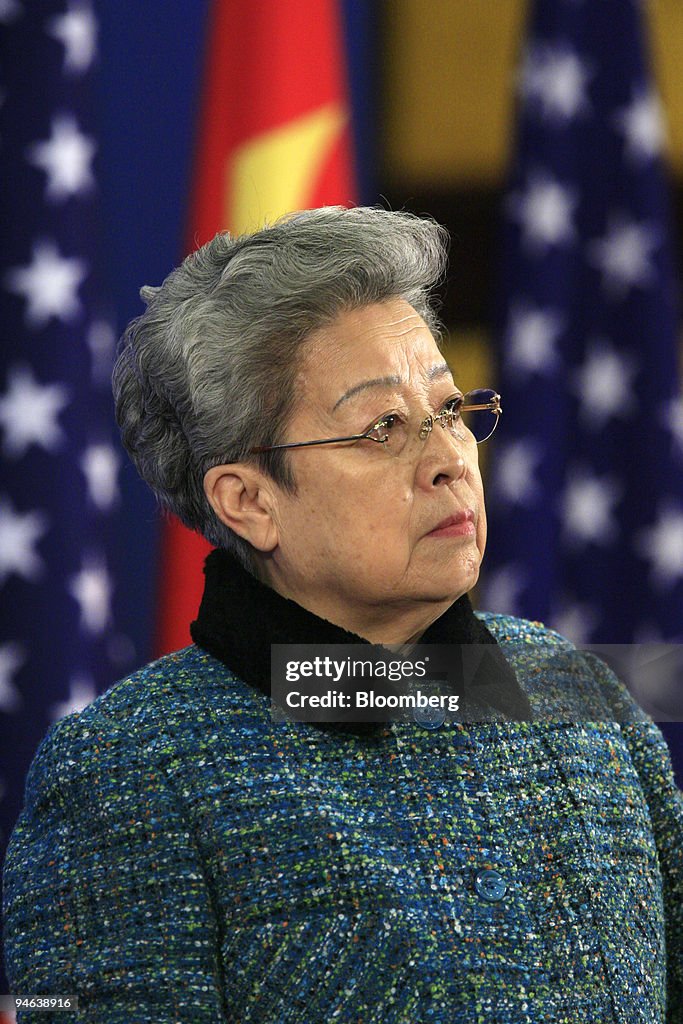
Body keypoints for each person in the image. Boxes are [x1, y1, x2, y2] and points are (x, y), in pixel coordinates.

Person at [3, 206, 682, 1023]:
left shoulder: (578, 694)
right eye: (382, 428)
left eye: (447, 409)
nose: (446, 460)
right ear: (248, 501)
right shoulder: (127, 772)